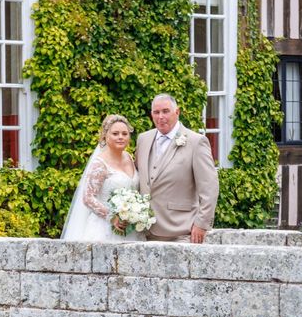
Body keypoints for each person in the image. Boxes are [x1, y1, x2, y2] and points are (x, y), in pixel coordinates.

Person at [135, 94, 219, 243]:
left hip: (181, 231)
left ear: (177, 112)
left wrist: (201, 224)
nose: (160, 117)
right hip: (143, 231)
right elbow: (136, 179)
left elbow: (209, 188)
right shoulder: (143, 139)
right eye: (156, 112)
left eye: (165, 111)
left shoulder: (196, 142)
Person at [61, 115, 146, 242]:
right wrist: (112, 217)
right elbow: (88, 197)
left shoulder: (129, 157)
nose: (121, 137)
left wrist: (133, 212)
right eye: (115, 133)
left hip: (130, 228)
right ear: (105, 136)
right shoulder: (100, 163)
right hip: (104, 229)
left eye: (125, 133)